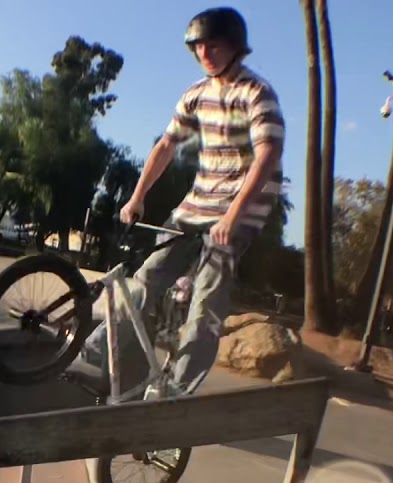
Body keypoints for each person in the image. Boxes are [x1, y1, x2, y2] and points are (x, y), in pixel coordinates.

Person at [73, 6, 284, 396]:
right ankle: (96, 353)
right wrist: (138, 197)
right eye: (198, 47)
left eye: (213, 46)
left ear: (235, 47)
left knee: (206, 300)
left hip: (239, 212)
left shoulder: (256, 93)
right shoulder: (196, 94)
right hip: (195, 207)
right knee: (147, 277)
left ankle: (176, 390)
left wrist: (233, 217)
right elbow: (167, 145)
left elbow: (268, 155)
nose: (205, 54)